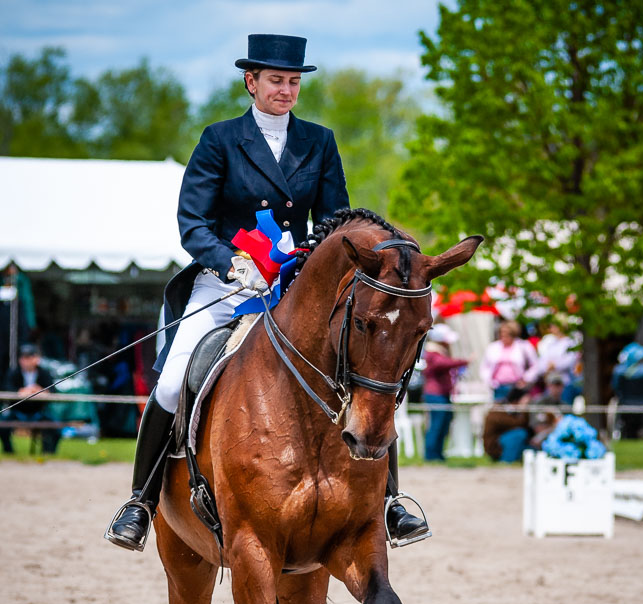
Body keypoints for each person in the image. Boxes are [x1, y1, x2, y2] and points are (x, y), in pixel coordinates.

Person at [106, 33, 428, 551]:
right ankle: (140, 502)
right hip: (226, 286)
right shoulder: (219, 139)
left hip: (293, 289)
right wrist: (231, 263)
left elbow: (336, 222)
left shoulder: (318, 142)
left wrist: (309, 263)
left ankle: (390, 503)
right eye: (276, 80)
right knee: (170, 383)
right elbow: (193, 221)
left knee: (363, 374)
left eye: (294, 81)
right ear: (251, 82)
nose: (286, 90)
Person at [1, 343, 60, 454]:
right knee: (2, 425)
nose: (24, 361)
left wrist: (40, 390)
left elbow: (53, 391)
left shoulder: (44, 373)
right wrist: (21, 391)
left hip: (38, 412)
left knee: (56, 427)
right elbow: (7, 388)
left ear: (36, 359)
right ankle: (9, 451)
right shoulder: (14, 373)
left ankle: (48, 453)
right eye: (22, 357)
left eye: (28, 357)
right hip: (18, 412)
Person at [421, 323, 468, 461]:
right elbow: (441, 364)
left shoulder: (439, 351)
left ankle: (439, 453)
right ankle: (431, 455)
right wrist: (463, 361)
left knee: (443, 424)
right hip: (435, 394)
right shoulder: (432, 352)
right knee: (436, 425)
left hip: (443, 393)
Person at [479, 321, 538, 400]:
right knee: (499, 410)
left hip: (517, 388)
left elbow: (535, 365)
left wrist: (526, 378)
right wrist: (488, 381)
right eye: (501, 333)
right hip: (498, 387)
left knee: (515, 410)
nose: (504, 336)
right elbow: (484, 366)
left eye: (507, 334)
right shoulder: (493, 347)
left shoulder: (523, 346)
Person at [482, 386, 532, 463]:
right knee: (520, 434)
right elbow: (518, 424)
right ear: (516, 400)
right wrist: (523, 409)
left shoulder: (510, 410)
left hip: (502, 441)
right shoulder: (499, 409)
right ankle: (506, 461)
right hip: (494, 446)